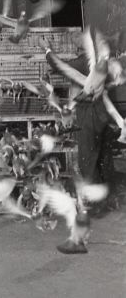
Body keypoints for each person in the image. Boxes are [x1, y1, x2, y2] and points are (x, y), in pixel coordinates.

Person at [40, 37, 118, 212]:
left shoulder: (82, 62)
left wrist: (47, 49)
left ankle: (97, 204)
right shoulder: (101, 63)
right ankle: (111, 198)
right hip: (102, 115)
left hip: (89, 115)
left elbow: (58, 66)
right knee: (104, 156)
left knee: (88, 160)